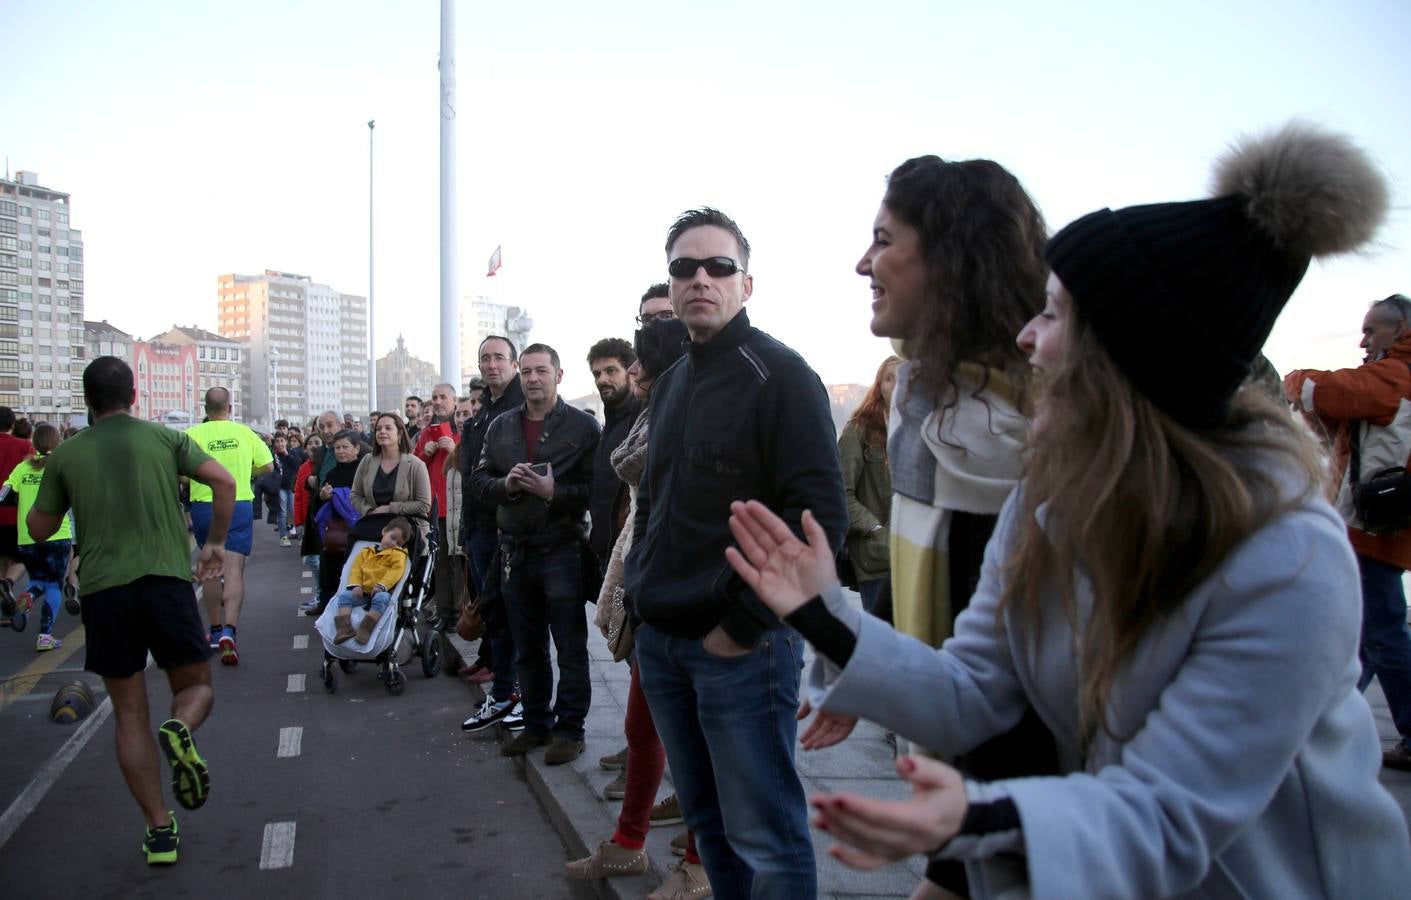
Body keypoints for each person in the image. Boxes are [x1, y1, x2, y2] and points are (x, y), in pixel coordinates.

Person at [724, 122, 1411, 898]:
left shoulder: (1288, 557)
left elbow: (1169, 812)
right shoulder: (1047, 500)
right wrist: (821, 611)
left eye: (1052, 315)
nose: (1024, 336)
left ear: (1123, 356)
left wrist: (973, 825)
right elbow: (973, 689)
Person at [624, 207, 848, 898]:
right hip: (662, 642)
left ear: (745, 284)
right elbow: (654, 505)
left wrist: (741, 628)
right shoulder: (674, 383)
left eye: (718, 266)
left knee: (766, 835)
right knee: (709, 827)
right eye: (684, 267)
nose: (700, 279)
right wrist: (639, 598)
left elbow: (820, 519)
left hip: (740, 653)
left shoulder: (780, 375)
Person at [30, 356, 235, 866]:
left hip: (103, 590)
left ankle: (160, 830)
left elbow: (38, 528)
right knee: (194, 687)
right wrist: (212, 544)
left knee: (129, 712)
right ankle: (182, 729)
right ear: (135, 394)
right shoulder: (165, 440)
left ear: (87, 400)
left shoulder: (66, 455)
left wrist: (48, 482)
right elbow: (225, 481)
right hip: (166, 581)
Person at [568, 317, 710, 899]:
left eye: (641, 363)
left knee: (698, 742)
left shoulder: (699, 410)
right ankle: (629, 845)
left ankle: (700, 864)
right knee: (641, 725)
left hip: (695, 599)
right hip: (649, 593)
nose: (632, 374)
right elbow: (629, 484)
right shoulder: (645, 417)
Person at [1284, 292, 1411, 771]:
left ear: (1399, 332)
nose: (1362, 339)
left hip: (1371, 527)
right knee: (1364, 629)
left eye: (1371, 329)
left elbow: (1322, 391)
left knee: (1379, 629)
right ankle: (1323, 724)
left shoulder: (1394, 376)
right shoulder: (1392, 378)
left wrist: (1294, 380)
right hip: (1382, 525)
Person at [471, 343, 600, 764]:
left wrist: (554, 493)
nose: (532, 378)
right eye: (525, 371)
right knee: (527, 646)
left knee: (570, 646)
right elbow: (478, 482)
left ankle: (570, 730)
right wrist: (506, 485)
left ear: (558, 376)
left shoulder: (582, 428)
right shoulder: (501, 426)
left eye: (540, 371)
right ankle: (538, 724)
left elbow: (597, 492)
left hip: (561, 549)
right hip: (514, 552)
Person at [457, 336, 525, 723]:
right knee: (495, 614)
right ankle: (504, 690)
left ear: (513, 364)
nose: (492, 364)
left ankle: (511, 690)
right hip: (481, 528)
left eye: (500, 357)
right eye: (486, 358)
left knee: (510, 613)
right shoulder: (484, 411)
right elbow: (469, 476)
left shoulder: (522, 407)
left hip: (510, 530)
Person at [185, 387, 273, 664]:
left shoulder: (193, 434)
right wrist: (246, 473)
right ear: (230, 408)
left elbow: (180, 474)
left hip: (204, 505)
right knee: (234, 567)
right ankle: (229, 631)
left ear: (205, 409)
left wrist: (198, 480)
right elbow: (268, 466)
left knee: (210, 566)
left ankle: (212, 630)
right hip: (238, 502)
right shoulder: (244, 433)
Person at [2, 423, 73, 651]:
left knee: (37, 580)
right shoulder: (62, 466)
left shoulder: (23, 467)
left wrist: (20, 501)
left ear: (35, 443)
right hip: (57, 535)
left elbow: (3, 495)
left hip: (27, 535)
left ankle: (28, 599)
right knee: (53, 585)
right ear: (57, 442)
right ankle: (45, 636)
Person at [838, 356, 900, 619]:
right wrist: (875, 529)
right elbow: (840, 491)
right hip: (876, 559)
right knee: (883, 648)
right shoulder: (859, 431)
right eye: (889, 378)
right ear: (879, 386)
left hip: (916, 557)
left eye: (904, 377)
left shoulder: (924, 429)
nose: (897, 385)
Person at [586, 337, 640, 567]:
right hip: (604, 553)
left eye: (611, 371)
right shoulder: (609, 424)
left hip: (627, 557)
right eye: (597, 373)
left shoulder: (641, 422)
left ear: (631, 372)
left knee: (618, 605)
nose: (602, 380)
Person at [413, 383, 460, 634]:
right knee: (440, 562)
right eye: (434, 397)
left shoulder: (463, 425)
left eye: (443, 397)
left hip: (458, 504)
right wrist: (425, 453)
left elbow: (472, 461)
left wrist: (454, 448)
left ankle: (458, 614)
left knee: (457, 562)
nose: (438, 401)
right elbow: (415, 465)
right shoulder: (427, 431)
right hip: (435, 505)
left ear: (454, 400)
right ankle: (445, 612)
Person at [351, 412, 431, 545]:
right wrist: (369, 511)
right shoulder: (367, 461)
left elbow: (424, 504)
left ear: (399, 433)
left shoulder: (416, 465)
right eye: (378, 429)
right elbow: (355, 495)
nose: (382, 431)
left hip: (406, 534)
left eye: (388, 428)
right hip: (373, 528)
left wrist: (390, 509)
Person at [331, 517, 413, 645]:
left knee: (382, 598)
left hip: (380, 591)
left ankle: (365, 629)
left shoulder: (398, 555)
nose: (393, 543)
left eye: (398, 543)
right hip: (362, 591)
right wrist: (356, 585)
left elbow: (394, 573)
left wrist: (382, 585)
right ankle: (344, 628)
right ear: (384, 531)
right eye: (392, 537)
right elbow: (356, 569)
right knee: (345, 597)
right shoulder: (365, 552)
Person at [315, 431, 368, 611]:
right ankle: (326, 605)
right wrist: (323, 495)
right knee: (329, 567)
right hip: (335, 528)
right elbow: (320, 500)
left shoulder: (364, 470)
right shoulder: (332, 473)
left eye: (345, 447)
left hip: (358, 526)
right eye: (337, 448)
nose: (340, 451)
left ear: (357, 449)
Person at [0, 406, 33, 618]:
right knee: (20, 559)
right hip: (14, 512)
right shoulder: (23, 446)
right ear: (12, 424)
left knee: (2, 558)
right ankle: (8, 584)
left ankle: (4, 603)